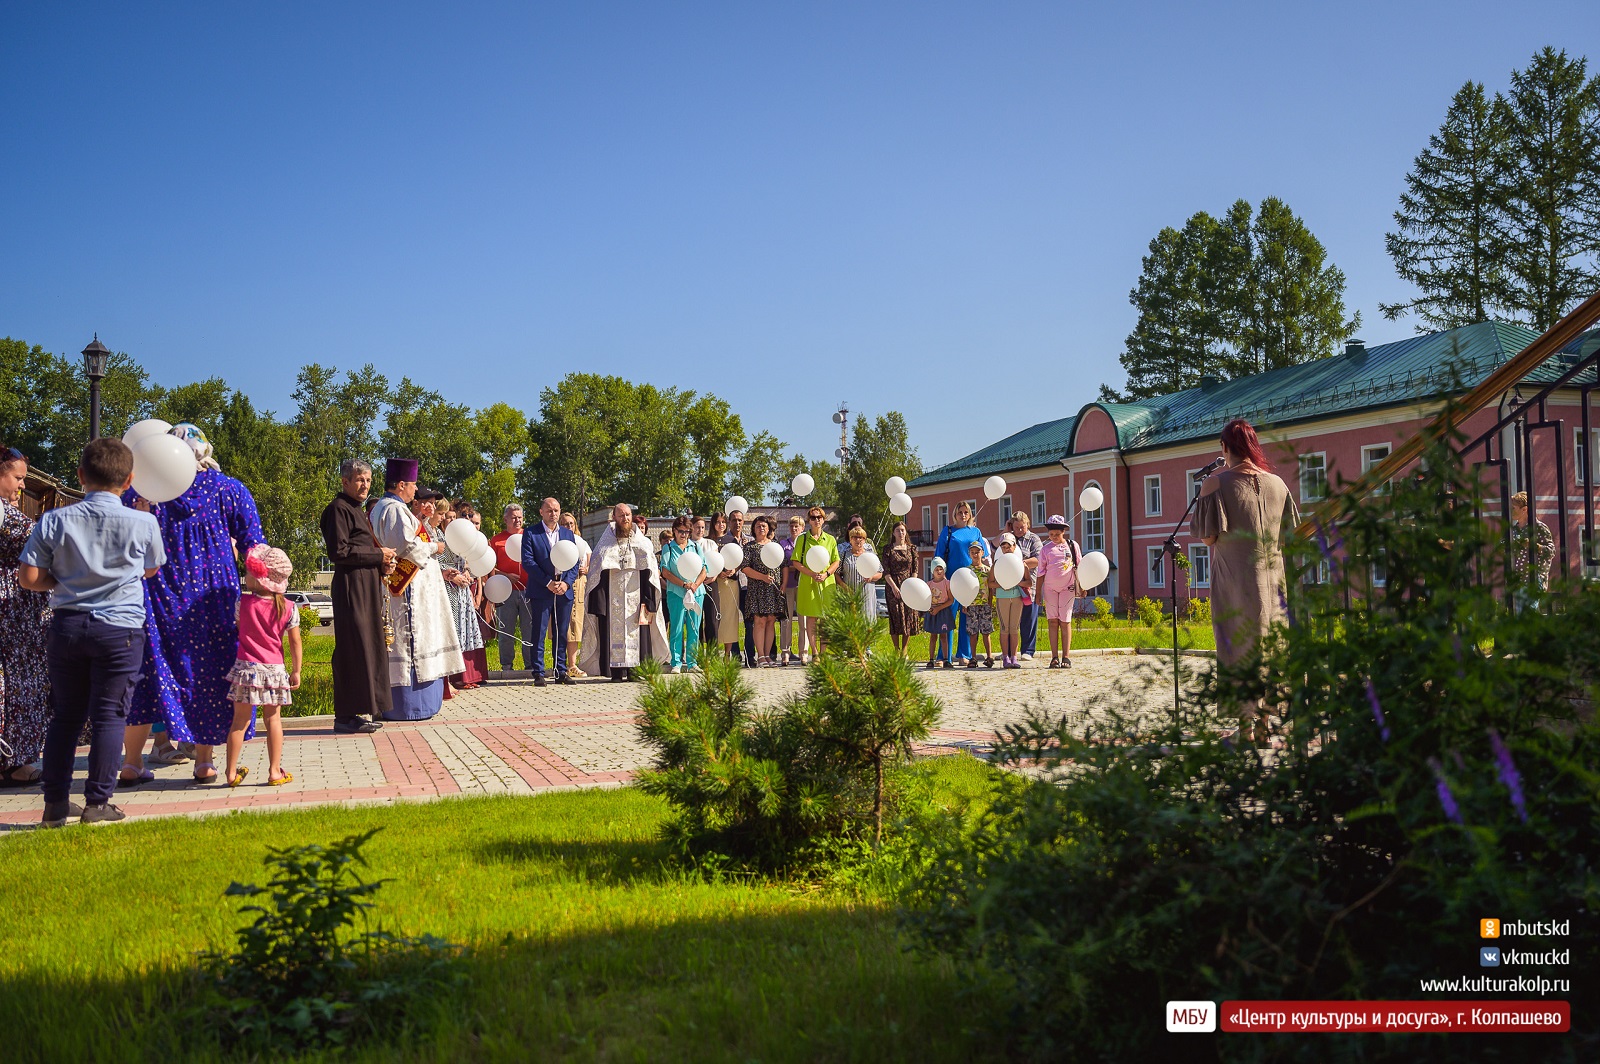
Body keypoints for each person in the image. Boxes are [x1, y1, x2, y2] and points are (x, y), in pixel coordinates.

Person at [20, 438, 165, 826]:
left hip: (67, 625)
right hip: (120, 630)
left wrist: (66, 581)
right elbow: (151, 570)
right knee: (108, 716)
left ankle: (54, 804)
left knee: (65, 716)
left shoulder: (54, 520)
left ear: (81, 476)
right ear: (129, 478)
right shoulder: (145, 522)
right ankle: (98, 803)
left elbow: (29, 577)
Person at [120, 423, 266, 785]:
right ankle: (204, 761)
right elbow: (254, 546)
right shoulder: (228, 489)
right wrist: (266, 589)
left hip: (155, 595)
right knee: (209, 673)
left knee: (146, 673)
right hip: (211, 597)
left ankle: (131, 761)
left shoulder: (142, 492)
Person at [1193, 418, 1299, 742]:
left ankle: (1245, 729)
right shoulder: (1279, 485)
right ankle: (1266, 725)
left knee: (1237, 648)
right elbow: (1290, 536)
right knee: (1271, 647)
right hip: (1273, 584)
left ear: (1225, 448)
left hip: (1235, 581)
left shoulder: (1215, 483)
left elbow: (1208, 538)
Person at [370, 460, 465, 718]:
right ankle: (410, 706)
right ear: (401, 485)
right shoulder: (395, 510)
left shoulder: (384, 508)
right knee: (410, 641)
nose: (414, 491)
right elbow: (408, 548)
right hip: (407, 592)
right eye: (412, 486)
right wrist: (436, 547)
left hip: (403, 587)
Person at [318, 459, 393, 733]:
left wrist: (382, 563)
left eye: (369, 480)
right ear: (345, 482)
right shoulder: (338, 509)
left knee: (368, 646)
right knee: (353, 648)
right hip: (351, 588)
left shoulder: (357, 510)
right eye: (360, 480)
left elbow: (361, 548)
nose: (365, 485)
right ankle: (345, 716)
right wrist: (378, 554)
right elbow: (339, 552)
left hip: (367, 586)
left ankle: (362, 709)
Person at [222, 545, 300, 788]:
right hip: (275, 672)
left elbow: (238, 627)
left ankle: (231, 772)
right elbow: (294, 641)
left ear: (258, 577)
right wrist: (296, 670)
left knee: (239, 722)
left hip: (246, 670)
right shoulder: (288, 607)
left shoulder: (242, 603)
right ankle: (275, 771)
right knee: (273, 721)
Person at [0, 445, 51, 786]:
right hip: (15, 615)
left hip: (19, 614)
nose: (22, 486)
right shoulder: (6, 516)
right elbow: (42, 540)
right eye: (17, 478)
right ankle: (17, 761)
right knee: (21, 685)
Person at [579, 503, 665, 681]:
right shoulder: (605, 543)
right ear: (614, 518)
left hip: (637, 599)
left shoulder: (643, 542)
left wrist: (649, 600)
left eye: (627, 515)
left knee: (638, 635)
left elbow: (649, 573)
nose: (625, 519)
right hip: (612, 601)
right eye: (621, 516)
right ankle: (615, 673)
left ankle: (635, 672)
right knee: (612, 635)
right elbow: (596, 572)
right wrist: (599, 603)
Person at [521, 496, 581, 687]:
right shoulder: (531, 533)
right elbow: (528, 561)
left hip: (563, 590)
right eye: (549, 510)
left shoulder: (567, 534)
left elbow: (574, 561)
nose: (553, 514)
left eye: (556, 510)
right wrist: (547, 582)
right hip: (541, 589)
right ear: (541, 512)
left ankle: (560, 670)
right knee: (539, 631)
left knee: (561, 632)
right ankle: (538, 672)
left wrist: (567, 583)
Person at [934, 501, 990, 666]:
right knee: (948, 618)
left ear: (970, 514)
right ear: (955, 514)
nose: (963, 515)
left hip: (970, 582)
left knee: (967, 618)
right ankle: (944, 656)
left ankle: (963, 655)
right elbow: (939, 557)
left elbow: (983, 555)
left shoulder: (975, 531)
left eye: (966, 512)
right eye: (960, 512)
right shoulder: (948, 531)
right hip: (951, 580)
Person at [438, 507, 487, 690]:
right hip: (447, 587)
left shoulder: (462, 533)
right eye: (449, 517)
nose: (451, 520)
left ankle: (465, 676)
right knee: (451, 631)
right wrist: (453, 576)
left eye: (453, 517)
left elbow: (468, 558)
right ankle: (451, 678)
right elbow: (436, 561)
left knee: (464, 632)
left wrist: (467, 571)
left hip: (462, 589)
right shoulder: (440, 535)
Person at [659, 515, 707, 672]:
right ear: (674, 531)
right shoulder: (669, 548)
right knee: (677, 628)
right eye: (681, 531)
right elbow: (665, 571)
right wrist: (683, 584)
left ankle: (692, 663)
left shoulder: (696, 547)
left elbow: (704, 569)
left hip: (696, 592)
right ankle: (676, 662)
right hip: (676, 593)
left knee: (694, 628)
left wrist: (695, 585)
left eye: (687, 531)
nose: (684, 535)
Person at [489, 504, 533, 672]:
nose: (517, 520)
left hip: (528, 590)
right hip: (505, 591)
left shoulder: (530, 536)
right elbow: (490, 566)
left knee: (529, 629)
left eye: (520, 517)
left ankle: (530, 665)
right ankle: (506, 666)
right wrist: (506, 575)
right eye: (514, 517)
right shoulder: (496, 540)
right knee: (506, 630)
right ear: (505, 519)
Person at [739, 515, 786, 666]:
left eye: (764, 526)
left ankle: (767, 656)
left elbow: (783, 565)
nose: (761, 528)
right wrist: (762, 577)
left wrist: (783, 584)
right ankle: (760, 656)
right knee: (759, 621)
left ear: (768, 529)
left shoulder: (775, 545)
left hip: (773, 589)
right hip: (757, 589)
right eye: (758, 526)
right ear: (753, 529)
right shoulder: (749, 547)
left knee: (771, 621)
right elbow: (745, 568)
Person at [793, 507, 840, 659]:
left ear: (823, 519)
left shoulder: (831, 539)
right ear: (809, 521)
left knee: (825, 619)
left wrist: (826, 574)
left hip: (827, 583)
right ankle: (815, 653)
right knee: (811, 619)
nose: (816, 520)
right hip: (809, 582)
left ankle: (824, 652)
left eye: (819, 517)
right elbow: (796, 562)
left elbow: (836, 561)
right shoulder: (802, 539)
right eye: (813, 517)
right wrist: (812, 574)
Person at [1037, 515, 1082, 669]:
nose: (1054, 537)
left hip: (1067, 588)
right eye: (1051, 535)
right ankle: (1054, 657)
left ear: (1064, 532)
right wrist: (1038, 593)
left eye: (1057, 534)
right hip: (1050, 589)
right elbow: (1040, 572)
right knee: (1052, 621)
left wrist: (1082, 586)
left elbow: (1079, 566)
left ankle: (1066, 657)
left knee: (1065, 621)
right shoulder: (1045, 549)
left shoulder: (1072, 545)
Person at [1509, 491, 1554, 613]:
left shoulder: (1539, 527)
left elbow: (1551, 551)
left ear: (1524, 510)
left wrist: (1535, 546)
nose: (1510, 511)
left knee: (1528, 614)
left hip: (1534, 579)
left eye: (1513, 508)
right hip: (1518, 580)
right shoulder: (1513, 530)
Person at [1008, 512, 1043, 660]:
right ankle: (1010, 651)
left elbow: (1039, 559)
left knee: (1029, 618)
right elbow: (995, 548)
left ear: (1027, 524)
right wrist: (1006, 530)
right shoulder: (1008, 538)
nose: (1019, 530)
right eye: (1016, 527)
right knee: (1011, 619)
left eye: (1022, 527)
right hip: (1010, 586)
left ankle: (1028, 650)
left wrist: (1020, 563)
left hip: (1029, 585)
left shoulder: (1034, 539)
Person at [561, 512, 593, 677]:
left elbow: (592, 563)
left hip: (579, 584)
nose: (569, 527)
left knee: (574, 624)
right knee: (560, 625)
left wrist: (586, 570)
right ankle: (558, 663)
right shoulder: (557, 541)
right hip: (561, 583)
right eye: (565, 524)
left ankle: (572, 664)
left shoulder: (583, 543)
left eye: (571, 524)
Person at [881, 520, 921, 655]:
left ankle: (904, 649)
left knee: (908, 617)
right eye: (898, 530)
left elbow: (915, 569)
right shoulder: (888, 549)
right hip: (893, 586)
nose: (901, 533)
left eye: (903, 530)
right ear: (893, 533)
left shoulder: (912, 549)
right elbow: (885, 571)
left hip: (909, 585)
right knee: (896, 616)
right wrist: (894, 587)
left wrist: (912, 585)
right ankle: (896, 649)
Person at [717, 509, 751, 662]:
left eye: (740, 520)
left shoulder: (749, 540)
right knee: (731, 619)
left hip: (747, 586)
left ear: (743, 522)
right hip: (728, 584)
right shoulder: (722, 540)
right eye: (734, 520)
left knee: (749, 623)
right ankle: (735, 655)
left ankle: (750, 656)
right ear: (729, 522)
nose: (737, 523)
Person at [988, 533, 1026, 669]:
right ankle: (1005, 657)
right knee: (1004, 629)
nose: (1006, 548)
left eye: (1008, 546)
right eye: (1003, 546)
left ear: (1014, 546)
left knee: (1015, 629)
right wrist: (1002, 584)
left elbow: (1028, 581)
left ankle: (1014, 657)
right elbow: (990, 583)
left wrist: (1017, 582)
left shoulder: (1019, 563)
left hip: (1016, 597)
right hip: (1002, 597)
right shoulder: (997, 563)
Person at [839, 526, 882, 624]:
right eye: (855, 537)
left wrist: (871, 577)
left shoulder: (871, 556)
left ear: (865, 540)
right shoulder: (844, 555)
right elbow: (836, 574)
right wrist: (844, 587)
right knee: (852, 624)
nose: (858, 540)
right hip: (850, 595)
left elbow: (880, 573)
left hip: (867, 595)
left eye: (861, 538)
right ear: (850, 540)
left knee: (868, 623)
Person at [777, 514, 804, 664]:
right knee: (786, 620)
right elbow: (782, 564)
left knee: (803, 620)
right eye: (792, 526)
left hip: (803, 585)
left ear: (802, 528)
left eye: (797, 526)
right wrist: (795, 566)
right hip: (787, 585)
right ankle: (785, 652)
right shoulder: (783, 544)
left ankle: (803, 651)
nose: (794, 528)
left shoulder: (805, 543)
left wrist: (793, 566)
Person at [698, 514, 726, 653]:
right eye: (697, 527)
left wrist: (714, 575)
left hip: (711, 583)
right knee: (696, 621)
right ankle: (695, 654)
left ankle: (712, 653)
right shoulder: (689, 544)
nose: (700, 530)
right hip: (694, 585)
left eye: (702, 527)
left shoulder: (711, 544)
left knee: (713, 619)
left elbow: (717, 562)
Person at [966, 540, 996, 667]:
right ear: (969, 554)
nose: (975, 554)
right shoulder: (967, 571)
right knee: (973, 632)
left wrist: (990, 602)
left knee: (986, 631)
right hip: (971, 605)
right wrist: (964, 604)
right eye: (972, 552)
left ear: (982, 553)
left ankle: (989, 657)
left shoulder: (987, 570)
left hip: (984, 605)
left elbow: (990, 587)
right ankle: (973, 657)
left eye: (977, 552)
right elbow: (964, 588)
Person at [924, 557, 954, 669]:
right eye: (936, 569)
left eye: (941, 568)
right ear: (932, 570)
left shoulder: (947, 583)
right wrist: (930, 608)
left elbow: (951, 600)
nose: (939, 571)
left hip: (943, 612)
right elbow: (925, 599)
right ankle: (931, 659)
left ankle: (946, 659)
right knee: (933, 636)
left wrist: (939, 608)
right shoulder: (928, 585)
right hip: (933, 612)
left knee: (944, 636)